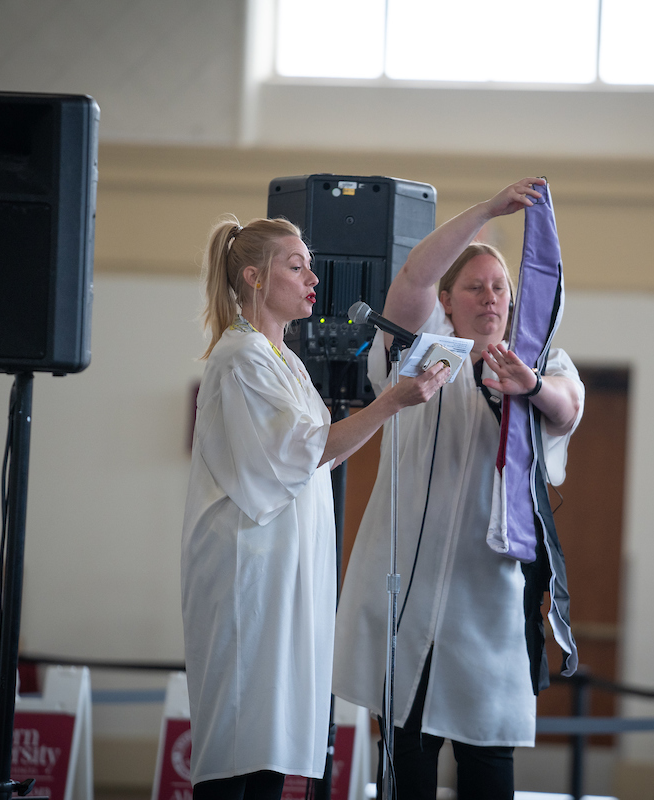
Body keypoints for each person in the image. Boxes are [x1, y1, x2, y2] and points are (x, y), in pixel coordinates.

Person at [181, 216, 449, 800]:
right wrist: (393, 402)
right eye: (295, 265)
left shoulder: (287, 361)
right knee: (239, 742)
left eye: (310, 264)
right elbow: (303, 449)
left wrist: (393, 401)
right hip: (246, 573)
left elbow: (319, 456)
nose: (312, 279)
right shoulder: (243, 357)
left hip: (286, 569)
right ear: (253, 276)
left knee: (271, 739)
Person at [333, 179, 585, 800]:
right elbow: (414, 280)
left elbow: (568, 407)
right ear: (448, 301)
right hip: (409, 605)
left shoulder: (538, 363)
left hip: (490, 607)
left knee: (487, 769)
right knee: (407, 771)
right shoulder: (418, 357)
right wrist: (488, 212)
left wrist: (527, 388)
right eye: (474, 286)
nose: (490, 297)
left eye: (500, 287)